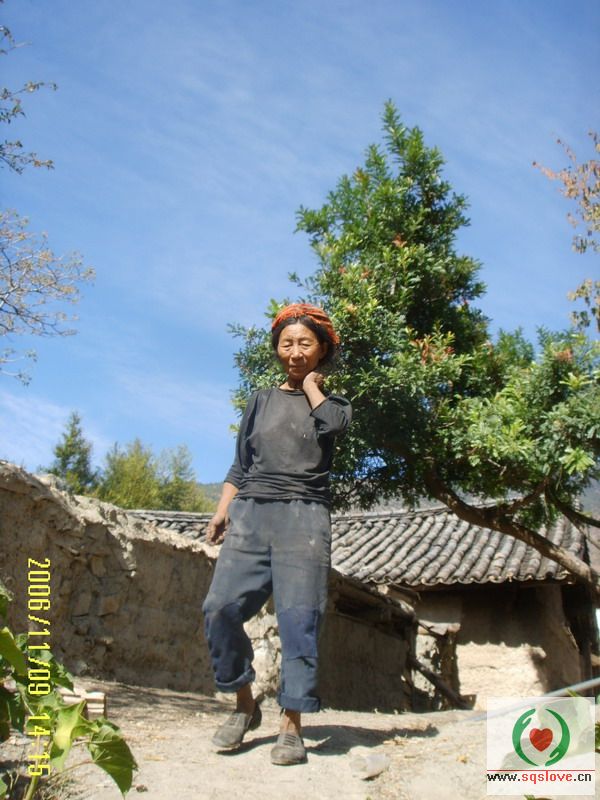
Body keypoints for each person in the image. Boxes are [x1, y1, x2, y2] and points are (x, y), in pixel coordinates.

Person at [202, 303, 352, 766]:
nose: (295, 352)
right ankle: (245, 704)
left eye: (305, 343)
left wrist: (311, 387)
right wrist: (222, 511)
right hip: (251, 513)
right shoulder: (260, 400)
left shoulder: (332, 405)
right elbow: (240, 465)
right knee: (219, 609)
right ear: (277, 349)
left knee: (299, 621)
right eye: (287, 343)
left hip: (304, 518)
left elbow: (333, 426)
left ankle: (292, 725)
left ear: (322, 350)